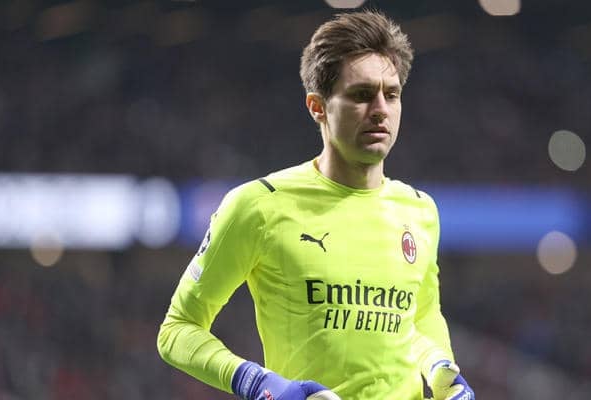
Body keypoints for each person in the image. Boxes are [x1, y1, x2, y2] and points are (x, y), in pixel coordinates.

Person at [157, 10, 474, 400]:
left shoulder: (419, 210)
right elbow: (177, 329)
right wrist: (257, 383)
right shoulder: (258, 206)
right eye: (361, 95)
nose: (380, 109)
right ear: (317, 106)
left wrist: (440, 368)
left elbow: (421, 316)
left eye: (391, 94)